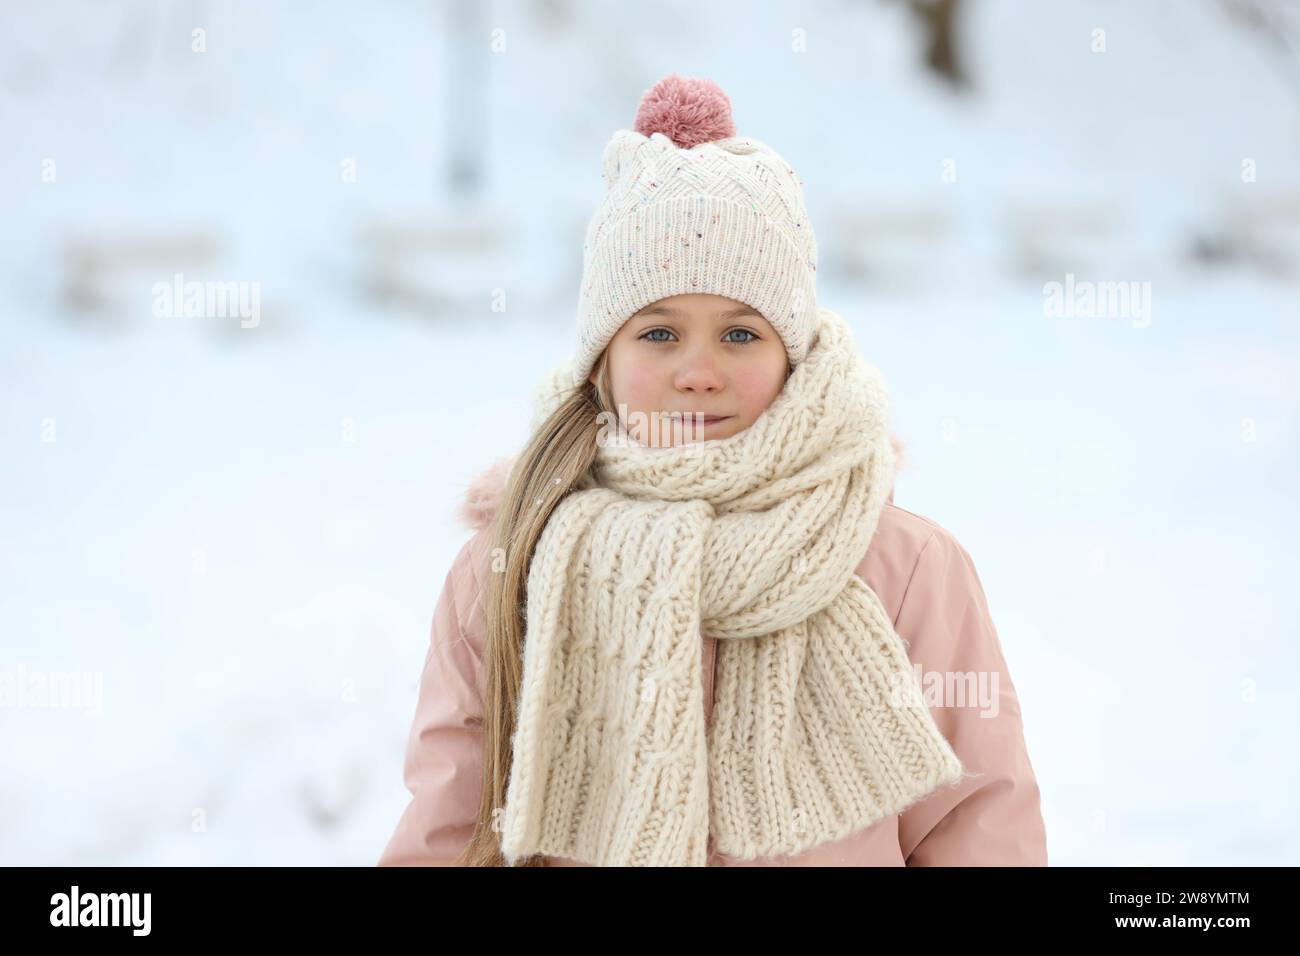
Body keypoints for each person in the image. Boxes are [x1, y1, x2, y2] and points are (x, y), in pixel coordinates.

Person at [378, 74, 1047, 867]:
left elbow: (975, 822)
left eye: (740, 335)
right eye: (659, 334)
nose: (699, 371)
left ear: (793, 358)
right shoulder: (516, 560)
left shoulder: (901, 566)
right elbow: (453, 824)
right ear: (603, 361)